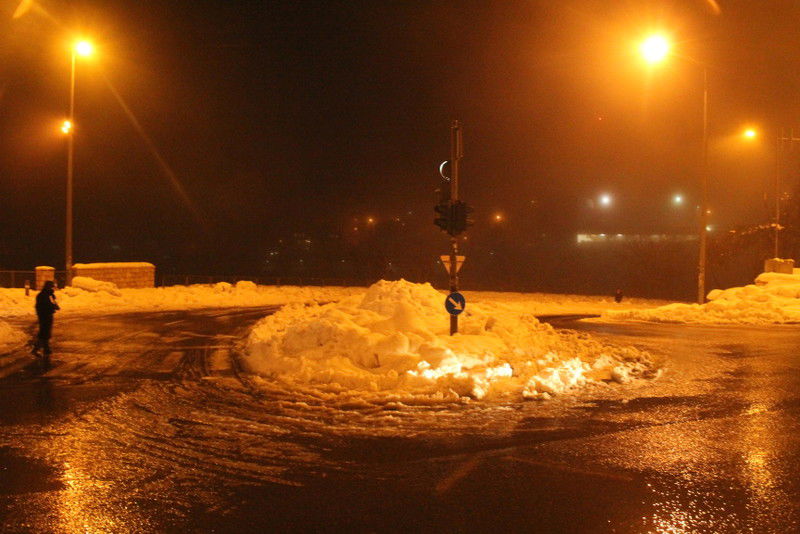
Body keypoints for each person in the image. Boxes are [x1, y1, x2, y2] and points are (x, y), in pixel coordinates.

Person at [33, 280, 60, 364]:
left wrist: (54, 305)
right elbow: (44, 305)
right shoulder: (43, 295)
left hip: (48, 315)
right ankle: (37, 348)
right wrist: (53, 306)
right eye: (52, 287)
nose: (53, 289)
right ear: (48, 287)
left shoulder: (49, 295)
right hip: (44, 316)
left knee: (46, 332)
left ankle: (46, 348)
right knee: (44, 332)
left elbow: (51, 303)